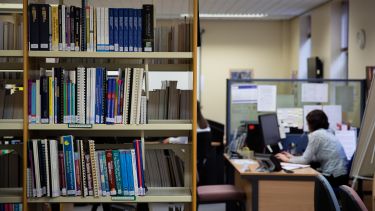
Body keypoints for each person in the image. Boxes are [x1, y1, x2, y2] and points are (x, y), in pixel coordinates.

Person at [275, 109, 348, 187]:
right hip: (342, 175)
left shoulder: (316, 135)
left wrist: (286, 159)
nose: (307, 125)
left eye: (308, 122)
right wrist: (292, 157)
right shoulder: (329, 132)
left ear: (312, 124)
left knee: (302, 185)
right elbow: (314, 158)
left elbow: (305, 161)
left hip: (333, 178)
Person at [163, 101, 212, 185]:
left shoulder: (192, 124)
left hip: (191, 161)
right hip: (202, 162)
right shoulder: (205, 125)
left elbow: (183, 139)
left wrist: (170, 139)